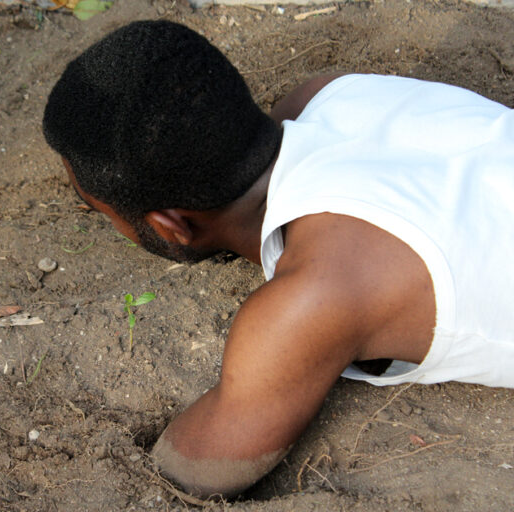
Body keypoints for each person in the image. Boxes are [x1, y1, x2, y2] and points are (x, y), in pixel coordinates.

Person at [42, 20, 514, 498]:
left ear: (172, 227)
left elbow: (189, 471)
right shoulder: (330, 93)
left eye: (97, 209)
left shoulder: (316, 295)